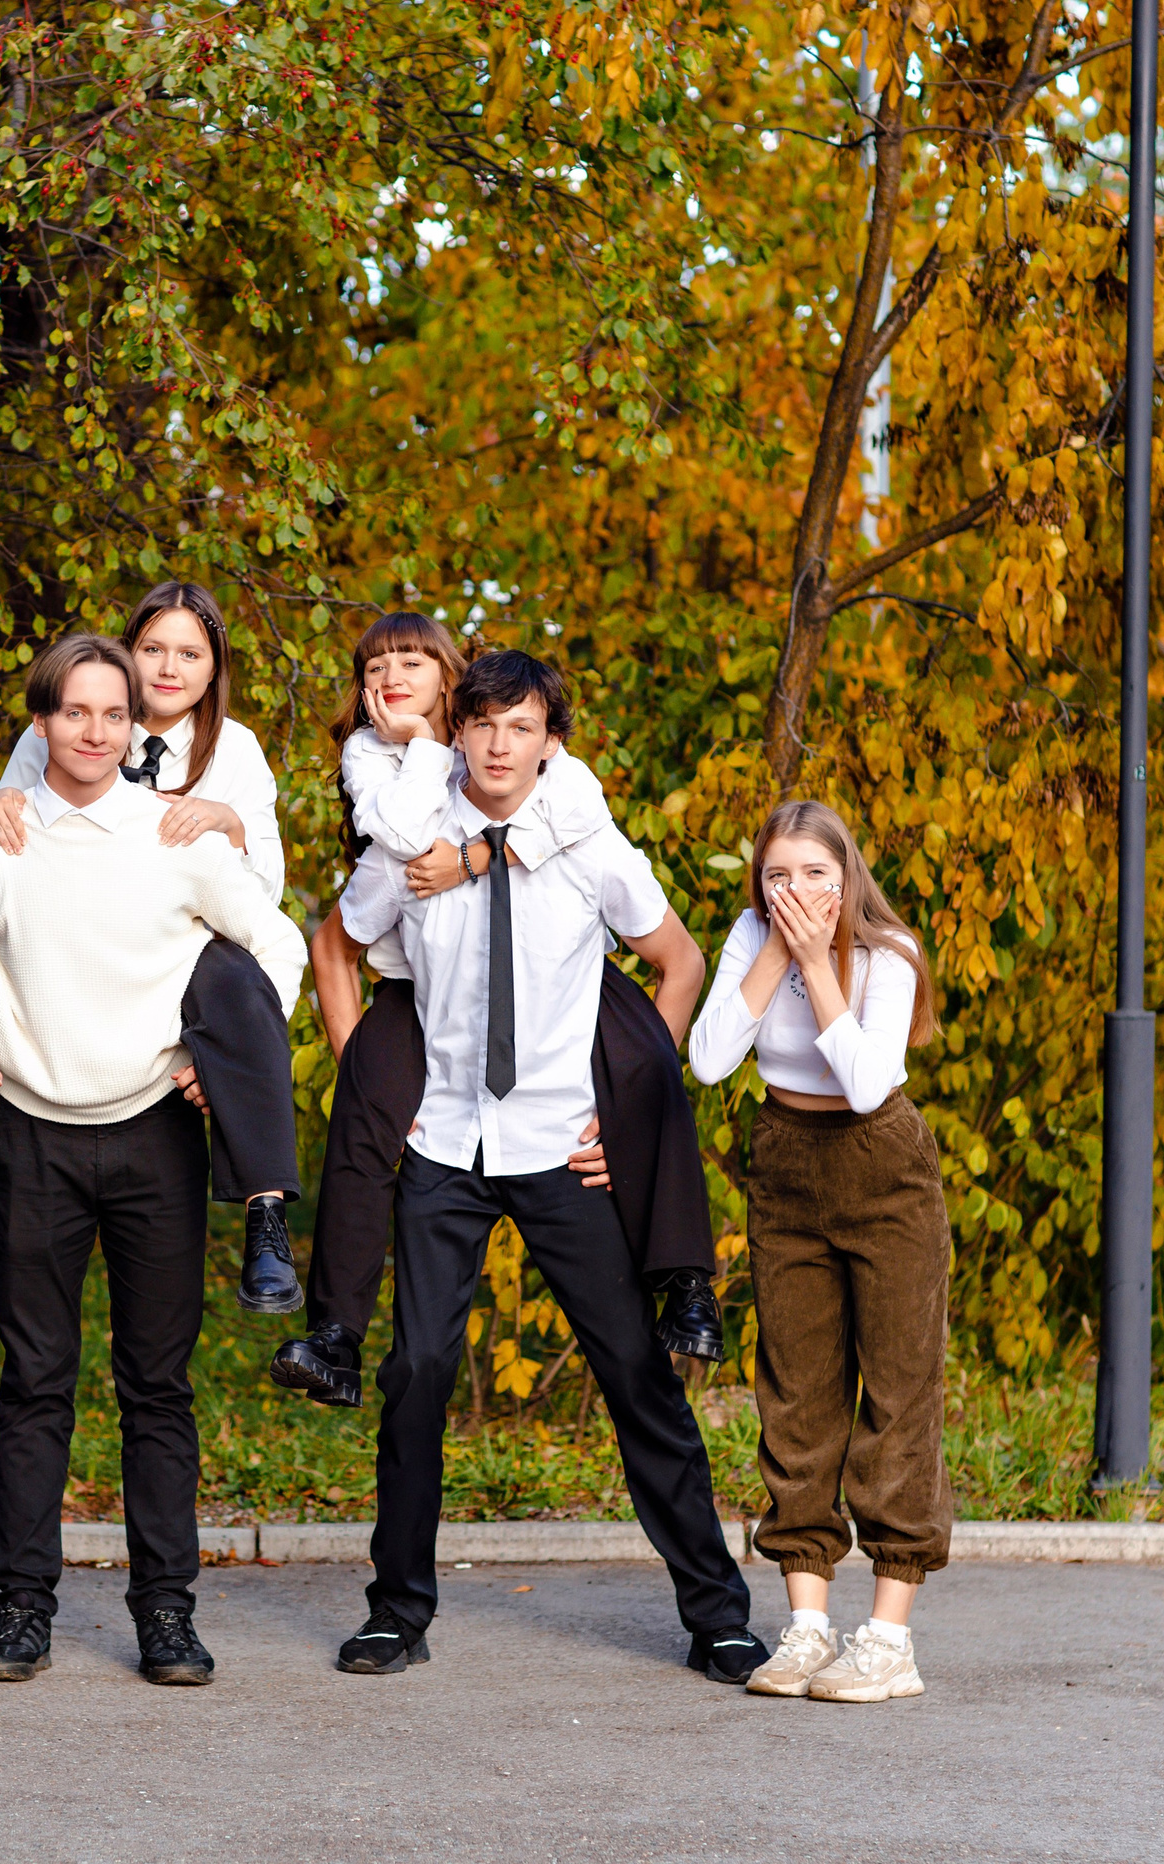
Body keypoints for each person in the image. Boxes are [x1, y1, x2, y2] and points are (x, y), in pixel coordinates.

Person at [0, 631, 307, 1688]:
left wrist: (229, 1069)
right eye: (76, 712)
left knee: (157, 1387)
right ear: (43, 724)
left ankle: (166, 1613)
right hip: (34, 1135)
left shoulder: (179, 837)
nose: (97, 730)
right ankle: (21, 1609)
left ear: (133, 727)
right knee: (36, 1384)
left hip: (157, 1133)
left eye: (115, 714)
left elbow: (279, 950)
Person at [336, 650, 765, 1684]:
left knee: (635, 1371)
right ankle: (397, 1609)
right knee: (418, 1372)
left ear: (548, 743)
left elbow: (679, 960)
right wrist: (367, 1075)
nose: (495, 743)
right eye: (480, 722)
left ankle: (717, 1614)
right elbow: (338, 939)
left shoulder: (584, 843)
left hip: (557, 1148)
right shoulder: (415, 840)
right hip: (443, 1140)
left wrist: (626, 1109)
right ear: (460, 731)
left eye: (519, 727)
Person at [272, 613, 723, 1410]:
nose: (391, 678)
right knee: (362, 1118)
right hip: (422, 1006)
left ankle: (688, 1279)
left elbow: (572, 804)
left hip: (561, 1016)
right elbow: (393, 853)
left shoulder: (545, 776)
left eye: (412, 661)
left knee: (648, 1067)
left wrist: (481, 853)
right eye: (375, 668)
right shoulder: (386, 766)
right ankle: (336, 1335)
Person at [0, 579, 302, 1315]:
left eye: (189, 653)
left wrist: (226, 826)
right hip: (53, 999)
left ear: (215, 668)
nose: (168, 667)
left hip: (194, 963)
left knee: (234, 968)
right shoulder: (67, 727)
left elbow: (266, 905)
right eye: (152, 648)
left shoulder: (237, 753)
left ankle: (266, 1212)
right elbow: (10, 830)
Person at [687, 799, 949, 1704]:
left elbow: (870, 1081)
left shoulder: (892, 955)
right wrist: (772, 956)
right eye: (778, 875)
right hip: (788, 1164)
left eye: (815, 876)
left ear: (848, 878)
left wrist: (817, 966)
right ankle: (804, 1625)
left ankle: (887, 1637)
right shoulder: (749, 940)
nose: (795, 892)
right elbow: (713, 1058)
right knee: (796, 1394)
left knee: (899, 1388)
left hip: (882, 1168)